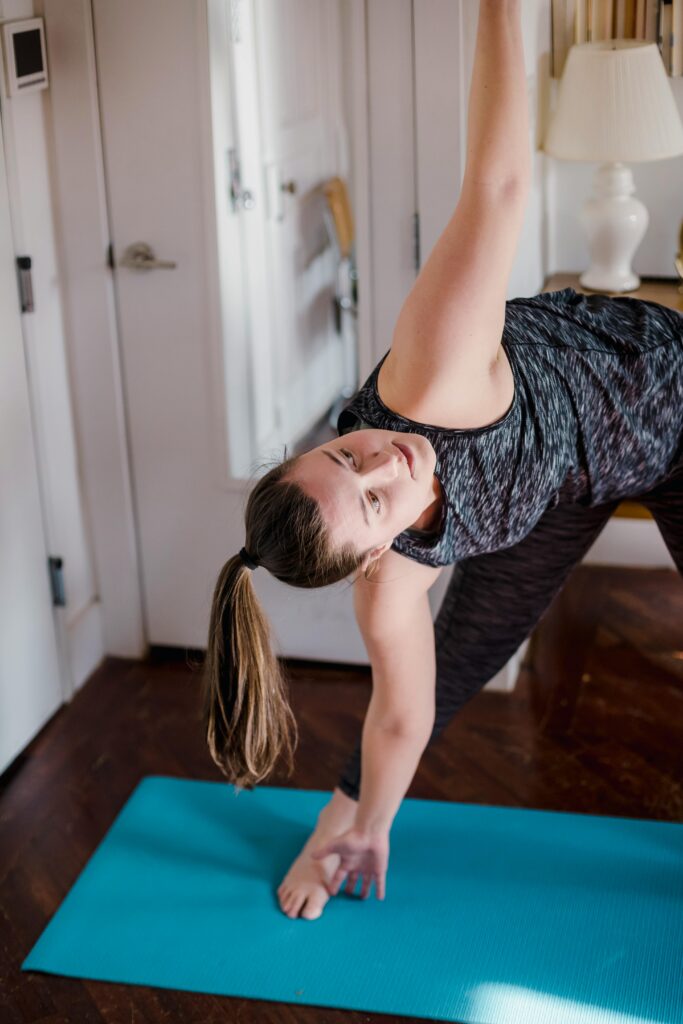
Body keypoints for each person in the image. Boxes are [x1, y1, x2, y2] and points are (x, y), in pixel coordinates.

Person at [201, 0, 683, 921]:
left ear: (325, 436)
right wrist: (361, 827)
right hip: (563, 483)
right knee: (455, 657)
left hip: (663, 401)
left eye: (348, 456)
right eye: (376, 503)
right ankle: (333, 827)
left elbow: (498, 183)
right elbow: (400, 714)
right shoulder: (389, 589)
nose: (394, 462)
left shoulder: (426, 375)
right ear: (379, 558)